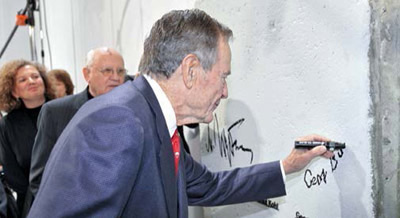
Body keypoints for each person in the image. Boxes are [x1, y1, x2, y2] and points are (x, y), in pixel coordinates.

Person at [28, 9, 333, 218]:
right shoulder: (119, 122)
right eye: (223, 76)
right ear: (190, 71)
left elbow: (209, 186)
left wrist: (288, 166)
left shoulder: (151, 119)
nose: (224, 91)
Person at [29, 47, 126, 198]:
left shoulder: (135, 112)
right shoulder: (56, 113)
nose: (116, 77)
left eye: (120, 71)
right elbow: (40, 177)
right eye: (107, 71)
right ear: (87, 74)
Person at [0, 60, 54, 216]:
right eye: (22, 80)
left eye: (35, 76)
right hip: (32, 203)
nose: (31, 81)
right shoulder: (8, 125)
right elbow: (12, 173)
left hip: (72, 195)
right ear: (14, 91)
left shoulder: (63, 111)